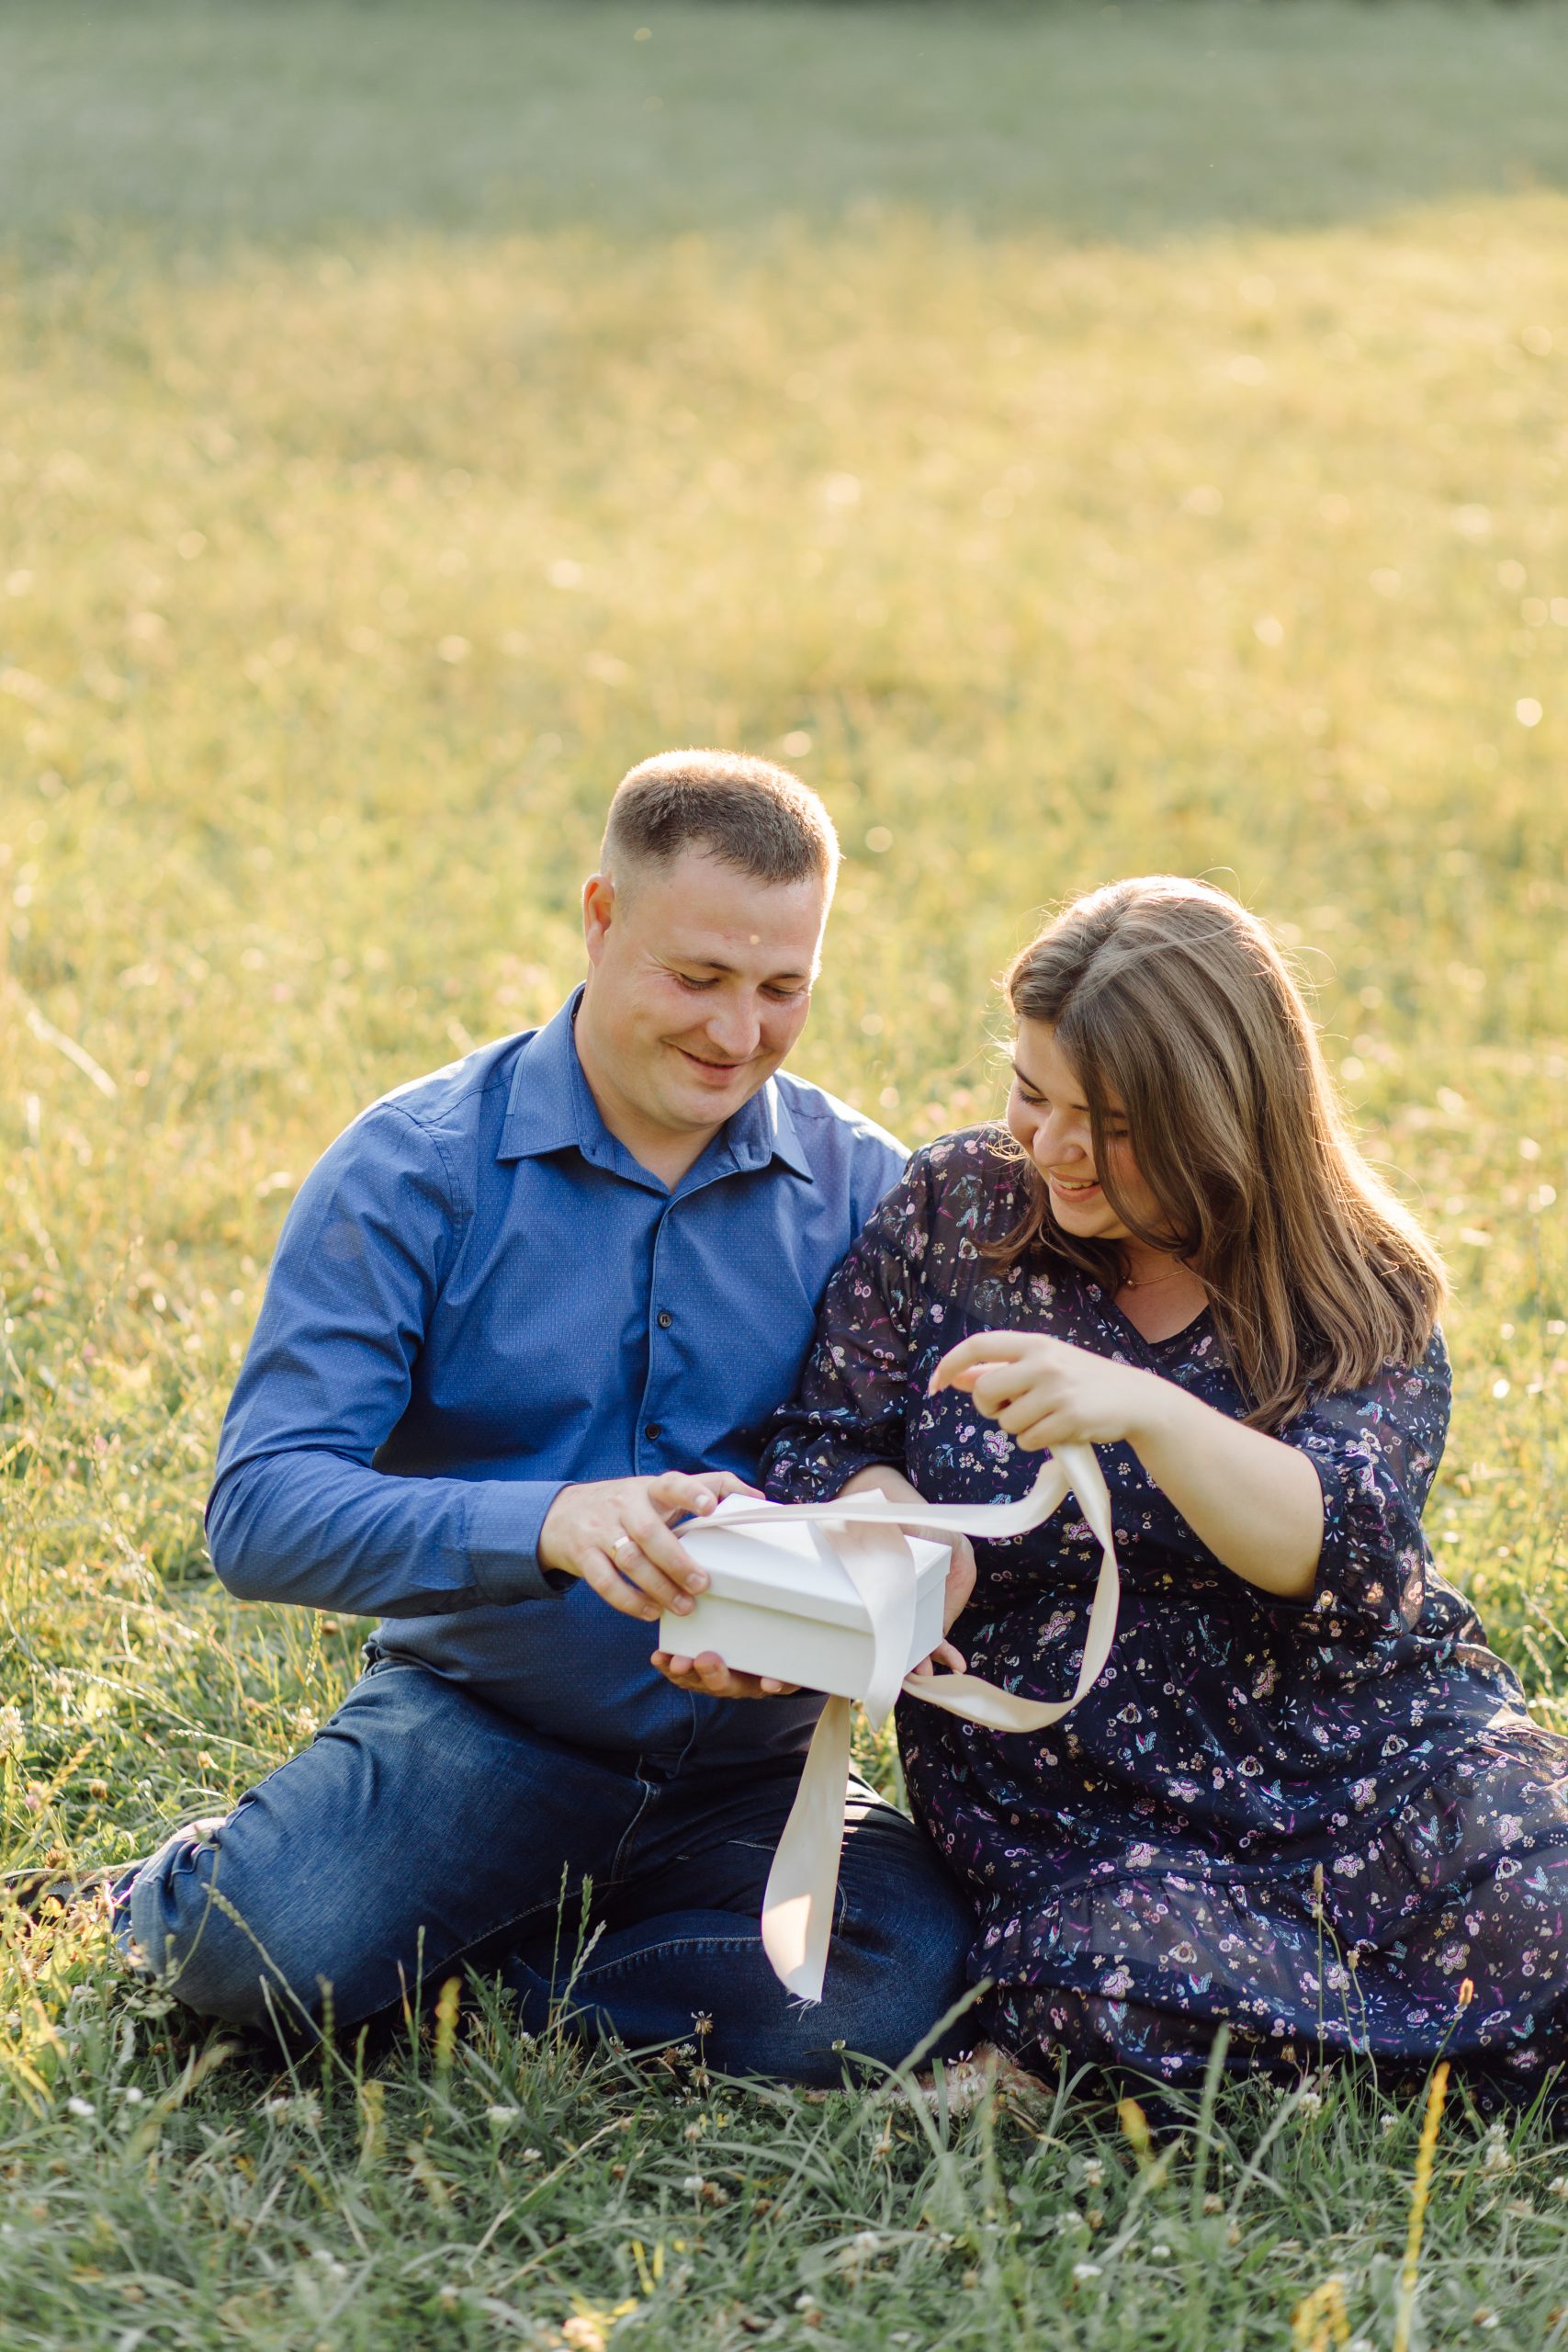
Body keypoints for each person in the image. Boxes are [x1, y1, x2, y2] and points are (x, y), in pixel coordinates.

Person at [106, 749, 974, 2082]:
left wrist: (852, 1599)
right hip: (480, 1728)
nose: (737, 1035)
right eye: (697, 979)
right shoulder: (414, 1168)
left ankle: (479, 1966)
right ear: (599, 917)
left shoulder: (869, 1187)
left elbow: (923, 1492)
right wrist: (556, 1525)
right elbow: (260, 1513)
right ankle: (210, 1885)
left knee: (901, 1988)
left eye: (782, 988)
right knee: (254, 1955)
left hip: (754, 1772)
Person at [762, 875, 1568, 2100]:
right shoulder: (955, 1207)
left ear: (1227, 1113)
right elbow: (828, 1438)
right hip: (1076, 1793)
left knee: (1546, 1883)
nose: (1056, 1147)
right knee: (1115, 1964)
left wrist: (1148, 1411)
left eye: (1117, 1122)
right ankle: (1394, 2041)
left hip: (1359, 1751)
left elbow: (1342, 1550)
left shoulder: (1360, 1287)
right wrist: (902, 1537)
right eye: (1033, 1093)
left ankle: (1323, 2036)